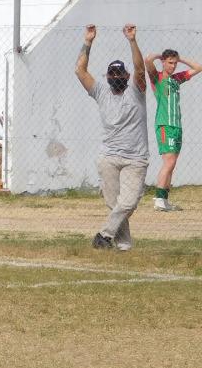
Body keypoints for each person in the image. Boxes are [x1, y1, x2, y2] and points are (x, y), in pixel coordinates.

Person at [76, 24, 149, 250]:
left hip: (136, 159)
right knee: (113, 203)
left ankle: (104, 235)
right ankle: (124, 245)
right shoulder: (100, 92)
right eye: (112, 73)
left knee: (127, 202)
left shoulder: (136, 90)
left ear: (126, 76)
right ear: (107, 76)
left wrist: (132, 41)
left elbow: (140, 69)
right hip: (108, 157)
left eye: (120, 73)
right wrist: (88, 42)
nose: (116, 76)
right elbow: (80, 71)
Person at [145, 47, 200, 211]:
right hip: (165, 125)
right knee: (168, 162)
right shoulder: (158, 78)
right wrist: (158, 55)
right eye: (170, 62)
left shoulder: (177, 79)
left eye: (175, 63)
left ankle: (164, 200)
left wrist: (181, 59)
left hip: (177, 126)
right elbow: (148, 60)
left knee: (172, 163)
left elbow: (198, 67)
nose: (173, 66)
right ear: (163, 62)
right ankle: (158, 199)